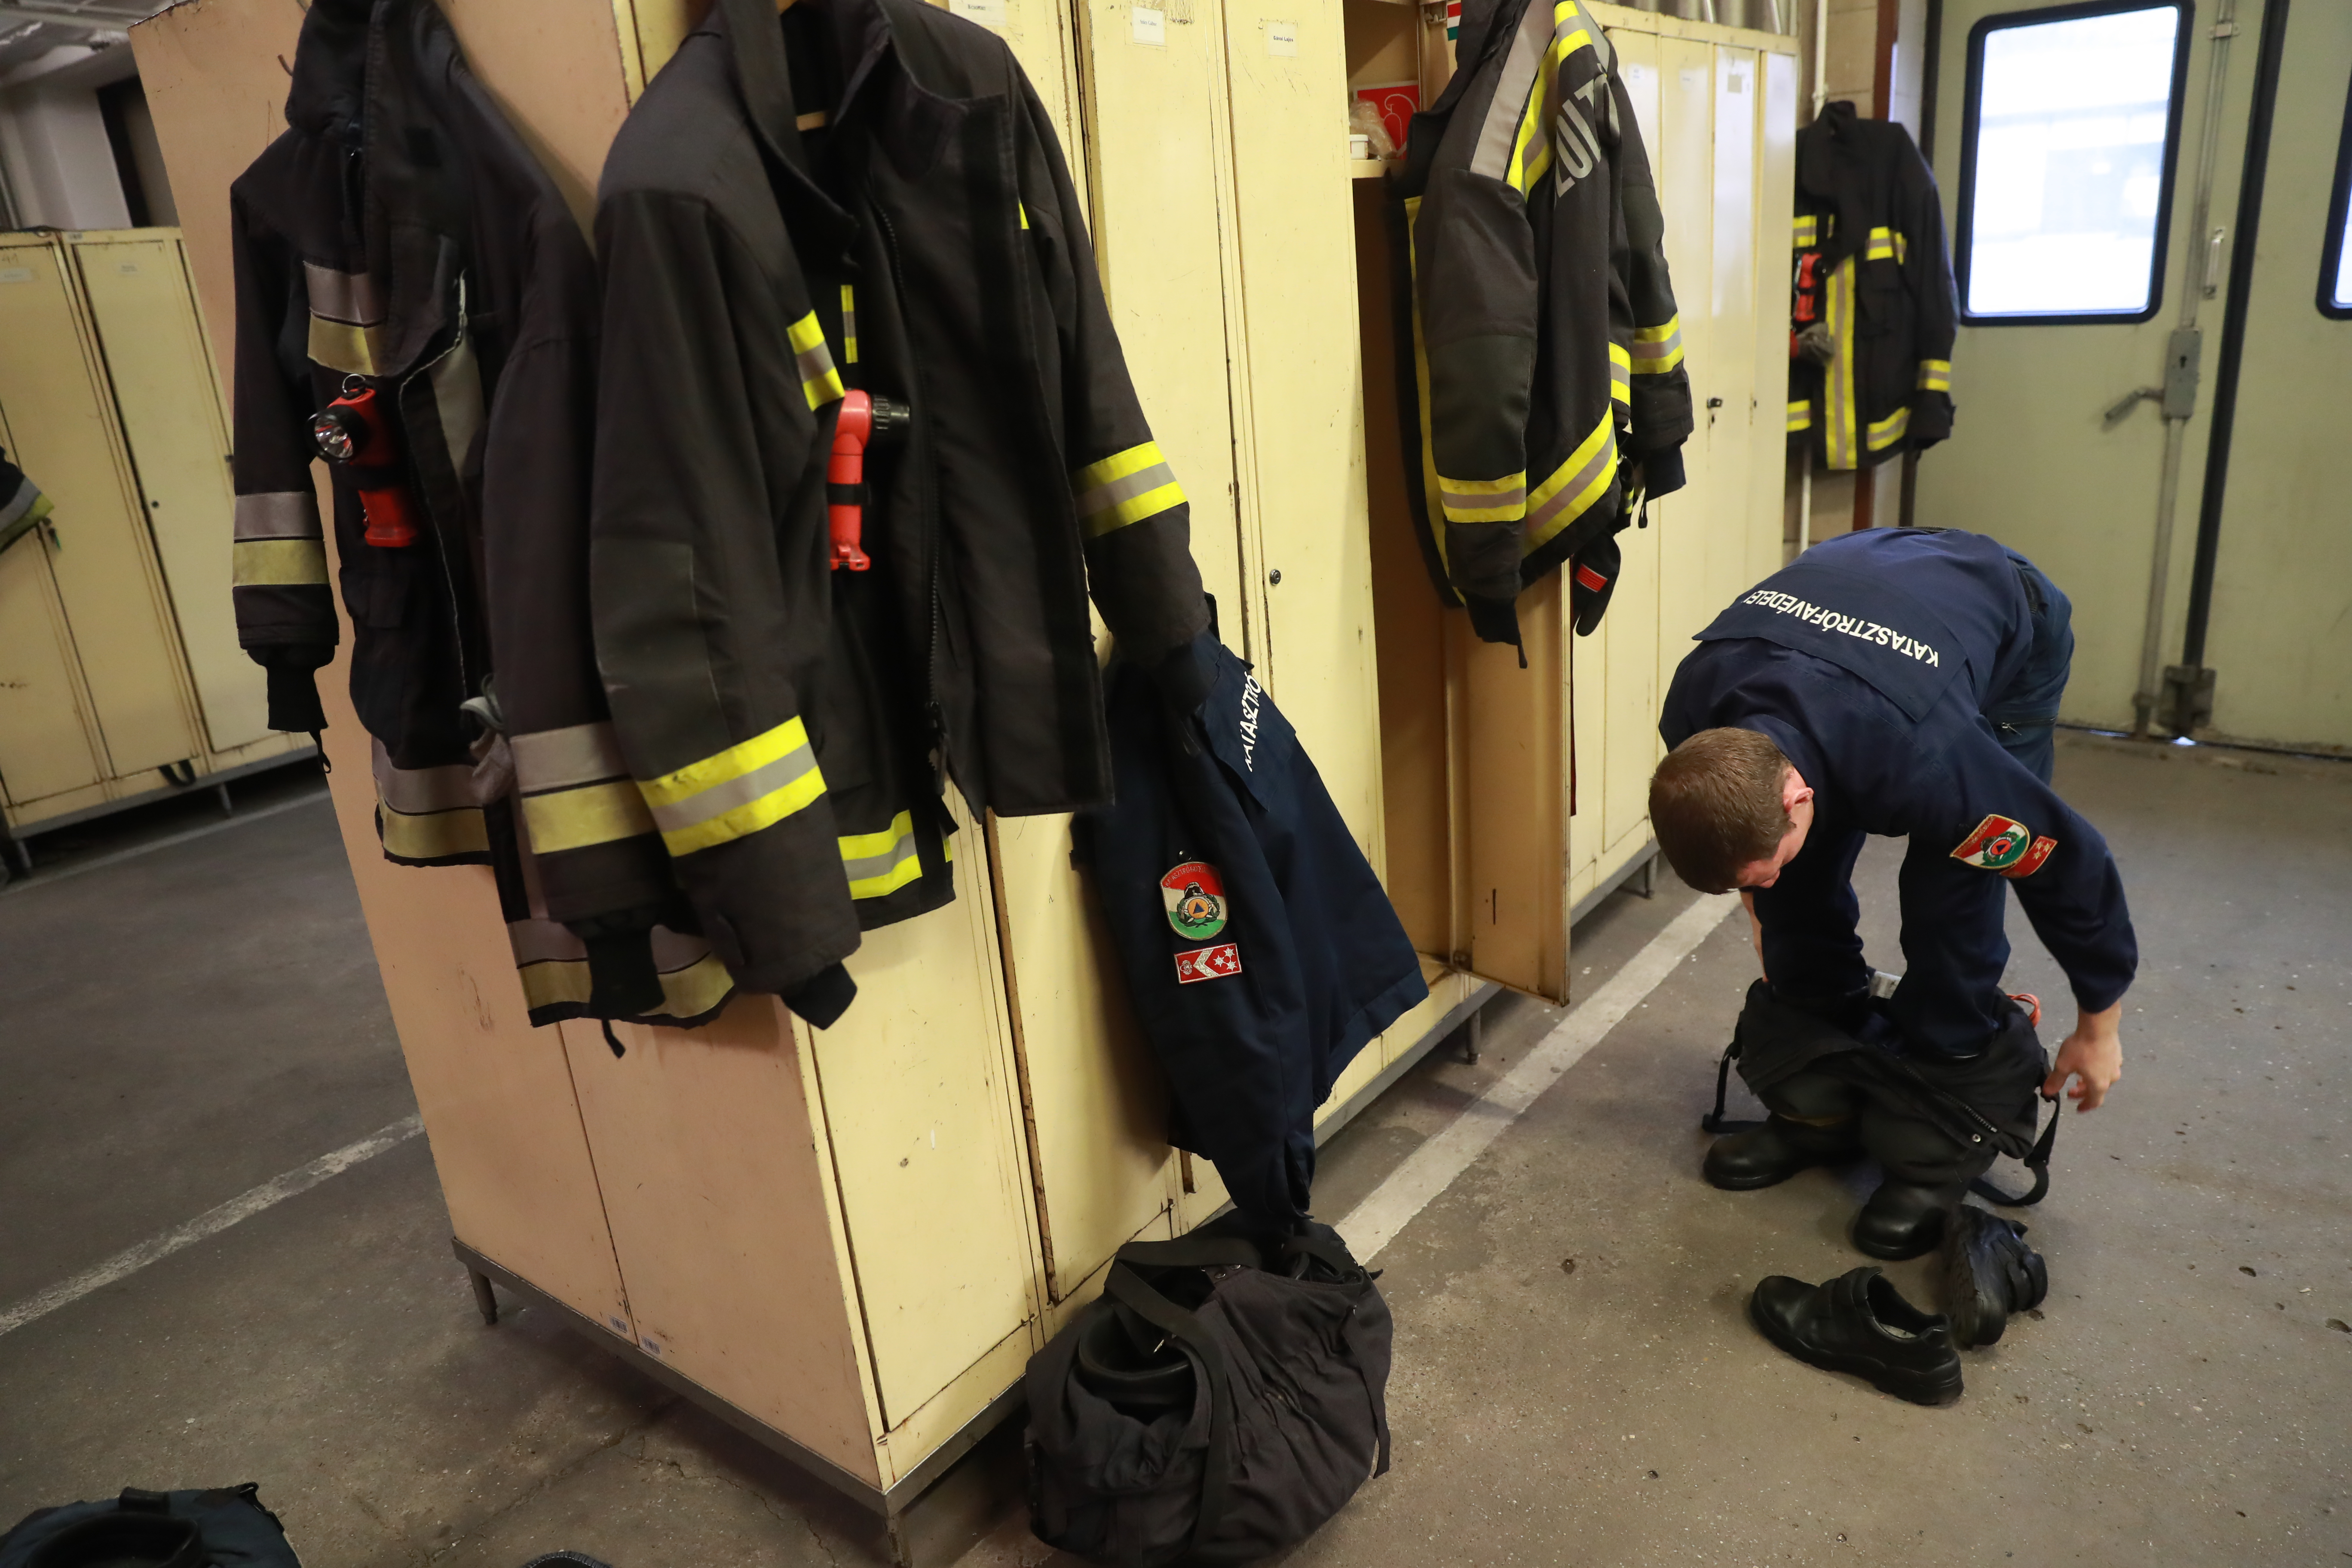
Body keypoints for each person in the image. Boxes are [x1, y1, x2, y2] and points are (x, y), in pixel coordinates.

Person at [1651, 526, 2134, 1259]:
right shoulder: (1697, 716)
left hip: (2003, 626)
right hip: (1850, 608)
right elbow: (1752, 854)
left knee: (1953, 904)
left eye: (1767, 861)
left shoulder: (1930, 760)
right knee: (1796, 897)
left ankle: (1931, 1149)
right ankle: (1818, 1110)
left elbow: (2069, 867)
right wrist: (1767, 902)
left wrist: (2100, 1029)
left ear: (1797, 796)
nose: (1763, 883)